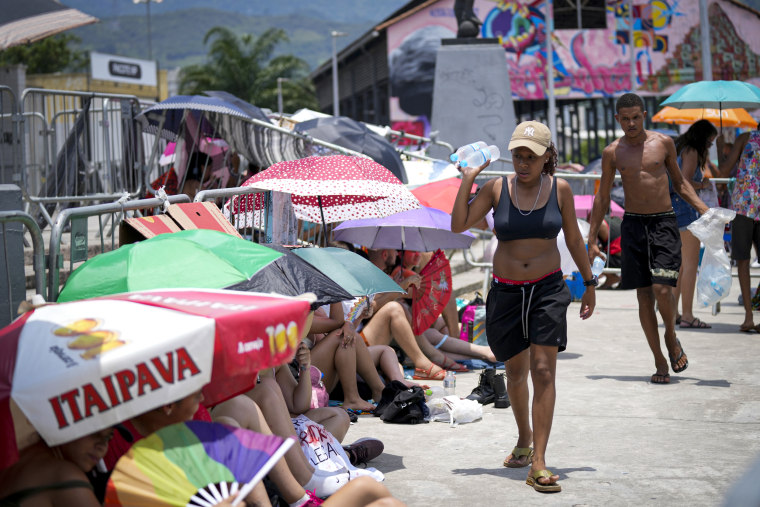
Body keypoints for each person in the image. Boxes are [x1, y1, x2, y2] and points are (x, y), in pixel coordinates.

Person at [451, 120, 595, 493]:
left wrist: (590, 282)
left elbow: (576, 241)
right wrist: (468, 177)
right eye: (517, 155)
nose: (523, 162)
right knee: (515, 373)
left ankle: (539, 462)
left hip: (548, 289)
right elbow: (457, 225)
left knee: (544, 371)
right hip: (507, 292)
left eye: (531, 156)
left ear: (547, 157)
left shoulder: (559, 189)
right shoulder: (497, 188)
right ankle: (523, 437)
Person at [588, 93, 708, 384]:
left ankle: (670, 333)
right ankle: (659, 359)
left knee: (662, 288)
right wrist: (591, 238)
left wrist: (705, 210)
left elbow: (679, 182)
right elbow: (603, 195)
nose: (630, 123)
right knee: (643, 295)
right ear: (618, 119)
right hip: (633, 226)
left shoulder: (663, 144)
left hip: (663, 222)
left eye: (635, 117)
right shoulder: (612, 152)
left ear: (644, 115)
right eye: (625, 118)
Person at [671, 120, 717, 329]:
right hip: (686, 210)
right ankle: (688, 315)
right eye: (710, 141)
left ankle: (674, 313)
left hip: (676, 209)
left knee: (681, 267)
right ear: (702, 137)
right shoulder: (691, 152)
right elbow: (685, 182)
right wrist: (703, 184)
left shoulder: (681, 147)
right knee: (690, 267)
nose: (710, 146)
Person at [0, 429, 113, 506]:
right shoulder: (64, 475)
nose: (102, 446)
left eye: (108, 437)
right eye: (94, 433)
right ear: (64, 427)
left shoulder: (19, 457)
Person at [718, 123, 760, 332]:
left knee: (742, 261)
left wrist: (718, 149)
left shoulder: (745, 138)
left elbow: (724, 170)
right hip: (750, 207)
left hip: (744, 207)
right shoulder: (744, 138)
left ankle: (749, 317)